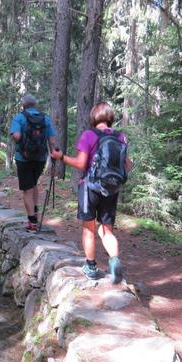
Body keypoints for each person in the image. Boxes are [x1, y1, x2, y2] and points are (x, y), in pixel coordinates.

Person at [50, 102, 131, 282]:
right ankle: (114, 261)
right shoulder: (121, 137)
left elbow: (81, 163)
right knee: (107, 230)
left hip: (90, 188)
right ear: (110, 117)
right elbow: (127, 164)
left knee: (89, 228)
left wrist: (61, 157)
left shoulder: (89, 135)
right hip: (111, 189)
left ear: (94, 116)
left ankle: (91, 267)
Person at [10, 94, 57, 232]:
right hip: (40, 158)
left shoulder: (19, 118)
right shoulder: (45, 119)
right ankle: (35, 212)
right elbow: (52, 140)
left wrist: (20, 141)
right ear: (35, 105)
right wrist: (53, 155)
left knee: (27, 190)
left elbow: (16, 135)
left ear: (23, 105)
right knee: (33, 184)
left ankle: (32, 222)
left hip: (23, 158)